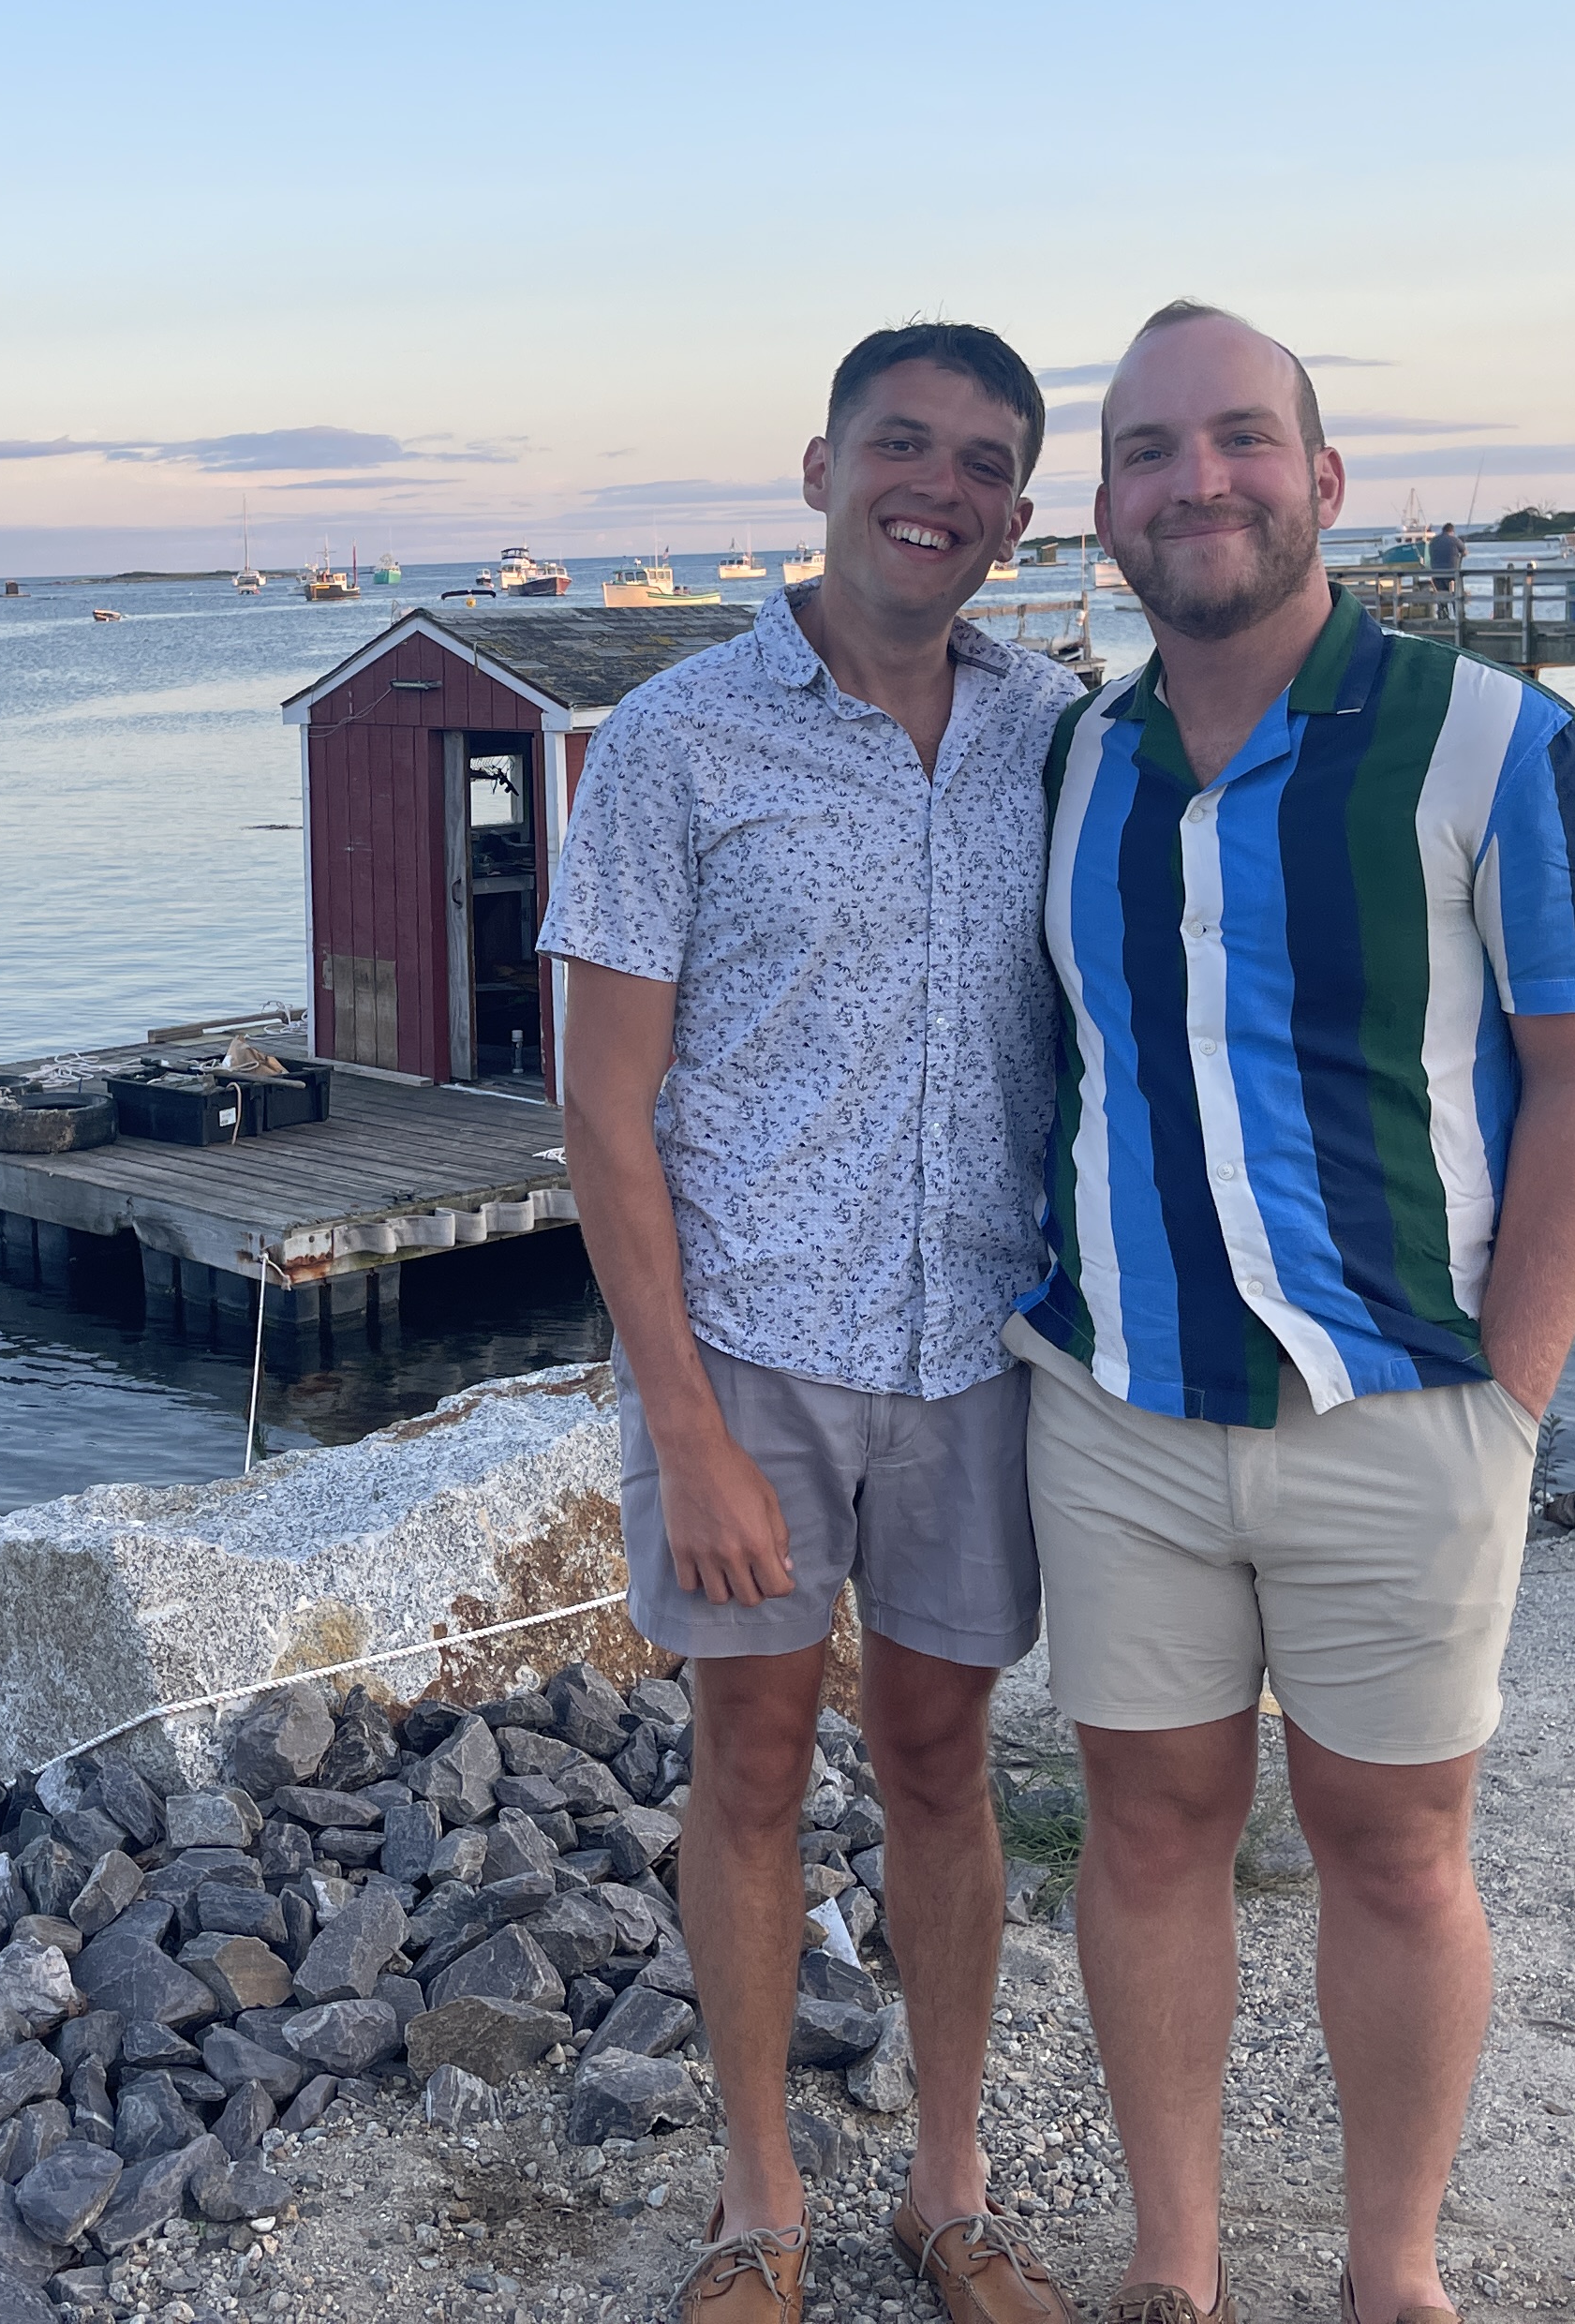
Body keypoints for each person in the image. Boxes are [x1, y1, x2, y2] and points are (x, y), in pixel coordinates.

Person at [1011, 301, 1575, 2324]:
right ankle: (1179, 2265)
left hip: (1406, 1410)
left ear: (1323, 481)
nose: (1192, 482)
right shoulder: (1073, 759)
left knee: (1393, 1853)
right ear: (1106, 508)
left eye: (1236, 439)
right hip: (1122, 1410)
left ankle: (1397, 2275)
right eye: (1145, 451)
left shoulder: (1503, 747)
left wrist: (1512, 1400)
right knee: (1148, 1837)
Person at [542, 320, 1087, 2324]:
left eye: (979, 462)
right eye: (899, 444)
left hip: (976, 1341)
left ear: (1018, 514)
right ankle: (755, 2199)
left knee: (947, 1763)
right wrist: (681, 1428)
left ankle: (948, 2191)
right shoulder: (682, 740)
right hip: (752, 1341)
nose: (934, 486)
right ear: (820, 464)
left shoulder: (1058, 728)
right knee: (752, 1761)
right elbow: (602, 1110)